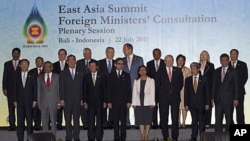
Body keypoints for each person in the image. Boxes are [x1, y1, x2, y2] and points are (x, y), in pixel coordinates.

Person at [156, 55, 183, 141]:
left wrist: (173, 91)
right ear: (164, 62)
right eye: (167, 60)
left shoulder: (178, 70)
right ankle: (166, 137)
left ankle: (175, 137)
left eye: (171, 60)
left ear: (173, 61)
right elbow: (157, 84)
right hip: (163, 98)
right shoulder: (160, 71)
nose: (169, 62)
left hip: (175, 97)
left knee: (175, 118)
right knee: (164, 118)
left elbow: (180, 84)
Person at [212, 53, 238, 132]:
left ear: (229, 60)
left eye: (226, 60)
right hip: (218, 100)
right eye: (222, 60)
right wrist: (212, 98)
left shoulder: (233, 71)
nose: (224, 62)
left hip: (229, 100)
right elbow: (214, 86)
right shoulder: (216, 71)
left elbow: (236, 86)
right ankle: (217, 137)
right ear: (220, 61)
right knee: (218, 119)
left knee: (229, 119)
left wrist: (236, 98)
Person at [60, 55, 84, 141]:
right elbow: (61, 87)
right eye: (69, 60)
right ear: (67, 62)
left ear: (75, 61)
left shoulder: (80, 73)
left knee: (76, 120)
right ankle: (69, 137)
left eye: (73, 60)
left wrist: (82, 99)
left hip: (78, 100)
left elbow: (82, 87)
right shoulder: (63, 73)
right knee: (67, 120)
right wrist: (62, 99)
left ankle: (76, 137)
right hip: (67, 100)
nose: (71, 62)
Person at [107, 58, 132, 141]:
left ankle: (123, 137)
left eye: (122, 64)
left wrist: (129, 101)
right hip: (114, 102)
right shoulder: (110, 75)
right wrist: (109, 102)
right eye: (119, 63)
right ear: (115, 65)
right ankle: (116, 137)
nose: (121, 65)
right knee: (115, 121)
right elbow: (109, 90)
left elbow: (129, 89)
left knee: (123, 120)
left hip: (124, 102)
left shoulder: (127, 75)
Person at [184, 62, 210, 141]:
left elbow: (207, 92)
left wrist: (207, 103)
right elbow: (186, 93)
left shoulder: (204, 79)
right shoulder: (188, 80)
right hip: (192, 104)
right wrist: (186, 104)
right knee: (194, 121)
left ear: (198, 69)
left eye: (194, 69)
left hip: (202, 104)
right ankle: (194, 137)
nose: (192, 70)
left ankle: (202, 136)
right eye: (191, 69)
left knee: (201, 121)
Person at [13, 59, 37, 141]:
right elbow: (14, 89)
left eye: (26, 64)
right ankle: (20, 139)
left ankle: (29, 139)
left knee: (30, 122)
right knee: (20, 122)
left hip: (29, 102)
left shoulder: (33, 75)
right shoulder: (16, 76)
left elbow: (35, 89)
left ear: (28, 65)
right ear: (19, 65)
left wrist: (35, 100)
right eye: (22, 64)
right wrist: (14, 100)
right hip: (19, 102)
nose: (24, 65)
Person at [83, 60, 107, 141]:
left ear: (97, 67)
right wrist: (85, 102)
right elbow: (84, 90)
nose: (92, 67)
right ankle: (91, 137)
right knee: (90, 121)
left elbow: (105, 89)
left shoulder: (102, 76)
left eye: (93, 66)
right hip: (89, 103)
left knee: (100, 121)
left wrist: (105, 101)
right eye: (90, 66)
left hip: (100, 102)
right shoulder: (86, 77)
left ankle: (99, 137)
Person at [122, 43, 144, 128]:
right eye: (123, 49)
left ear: (130, 49)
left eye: (125, 49)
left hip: (136, 86)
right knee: (125, 105)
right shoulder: (122, 60)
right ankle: (127, 123)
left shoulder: (139, 59)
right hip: (124, 87)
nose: (123, 51)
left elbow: (142, 72)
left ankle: (137, 123)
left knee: (137, 105)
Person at [37, 61, 60, 137]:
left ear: (52, 68)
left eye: (48, 66)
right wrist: (39, 103)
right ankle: (46, 138)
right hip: (43, 103)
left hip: (54, 102)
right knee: (44, 122)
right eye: (45, 66)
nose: (46, 68)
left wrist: (59, 102)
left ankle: (53, 138)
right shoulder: (40, 78)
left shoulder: (57, 77)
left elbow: (59, 90)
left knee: (53, 121)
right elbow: (38, 91)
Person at [132, 65, 155, 141]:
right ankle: (142, 135)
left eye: (144, 70)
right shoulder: (136, 81)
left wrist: (152, 102)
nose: (142, 71)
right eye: (141, 70)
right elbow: (134, 93)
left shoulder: (151, 80)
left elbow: (153, 92)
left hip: (148, 103)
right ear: (139, 72)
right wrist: (134, 103)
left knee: (148, 120)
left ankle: (146, 135)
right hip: (139, 103)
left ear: (146, 71)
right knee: (140, 120)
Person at [77, 47, 97, 129]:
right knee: (83, 108)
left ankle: (92, 124)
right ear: (83, 54)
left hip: (93, 90)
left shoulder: (95, 62)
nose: (88, 55)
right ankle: (85, 124)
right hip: (81, 88)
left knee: (93, 109)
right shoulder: (78, 63)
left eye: (89, 54)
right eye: (86, 54)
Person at [2, 47, 21, 131]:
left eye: (17, 53)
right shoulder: (7, 64)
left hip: (20, 90)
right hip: (9, 90)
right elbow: (4, 77)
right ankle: (12, 125)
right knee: (11, 108)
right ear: (12, 54)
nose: (16, 55)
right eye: (14, 53)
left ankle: (20, 125)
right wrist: (4, 88)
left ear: (19, 54)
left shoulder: (23, 63)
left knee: (20, 108)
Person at [146, 48, 165, 129]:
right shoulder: (149, 63)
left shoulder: (165, 63)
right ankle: (154, 122)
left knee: (162, 107)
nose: (156, 55)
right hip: (152, 89)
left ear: (160, 54)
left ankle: (162, 122)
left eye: (158, 54)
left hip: (163, 89)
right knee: (153, 107)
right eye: (155, 54)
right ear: (152, 54)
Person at [98, 47, 116, 129]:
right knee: (104, 105)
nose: (111, 54)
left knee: (113, 105)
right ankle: (104, 122)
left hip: (114, 88)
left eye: (112, 52)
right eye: (109, 52)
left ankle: (111, 122)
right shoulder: (100, 63)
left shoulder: (117, 63)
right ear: (106, 53)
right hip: (102, 88)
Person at [229, 49, 248, 124]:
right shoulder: (226, 65)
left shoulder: (243, 64)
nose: (233, 55)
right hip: (228, 93)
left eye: (235, 54)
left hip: (239, 92)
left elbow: (245, 77)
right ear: (230, 55)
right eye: (232, 54)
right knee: (229, 112)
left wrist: (237, 87)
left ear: (237, 55)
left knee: (240, 111)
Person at [52, 48, 68, 130]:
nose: (61, 56)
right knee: (58, 107)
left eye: (63, 54)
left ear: (66, 56)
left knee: (67, 107)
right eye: (60, 54)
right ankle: (59, 123)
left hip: (68, 90)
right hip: (57, 90)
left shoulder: (70, 65)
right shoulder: (53, 65)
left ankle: (68, 122)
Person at [199, 50, 214, 129]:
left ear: (208, 56)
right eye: (202, 54)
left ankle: (207, 123)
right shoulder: (197, 65)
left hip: (208, 88)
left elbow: (212, 79)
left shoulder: (211, 65)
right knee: (200, 106)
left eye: (205, 55)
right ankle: (201, 122)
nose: (204, 56)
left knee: (208, 106)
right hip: (198, 90)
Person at [176, 54, 191, 129]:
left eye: (182, 60)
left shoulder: (188, 70)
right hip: (176, 91)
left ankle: (184, 122)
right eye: (179, 60)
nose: (180, 61)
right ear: (176, 61)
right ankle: (178, 122)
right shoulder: (174, 69)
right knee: (177, 107)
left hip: (185, 90)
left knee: (184, 106)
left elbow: (190, 81)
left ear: (184, 61)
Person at [29, 56, 44, 130]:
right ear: (35, 63)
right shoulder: (31, 72)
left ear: (43, 62)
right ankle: (36, 124)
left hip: (44, 94)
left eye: (40, 61)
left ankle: (44, 124)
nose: (39, 63)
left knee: (43, 110)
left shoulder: (47, 71)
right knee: (35, 110)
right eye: (37, 61)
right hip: (34, 93)